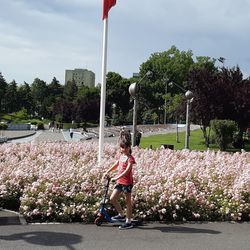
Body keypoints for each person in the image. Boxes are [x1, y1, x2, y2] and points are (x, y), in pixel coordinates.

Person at [103, 130, 136, 230]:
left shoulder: (130, 158)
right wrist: (107, 171)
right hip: (120, 182)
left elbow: (127, 171)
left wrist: (116, 177)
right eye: (121, 147)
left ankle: (128, 221)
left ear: (129, 148)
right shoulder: (121, 156)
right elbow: (116, 164)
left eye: (124, 148)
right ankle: (121, 215)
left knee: (128, 202)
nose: (122, 149)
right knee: (112, 198)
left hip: (127, 183)